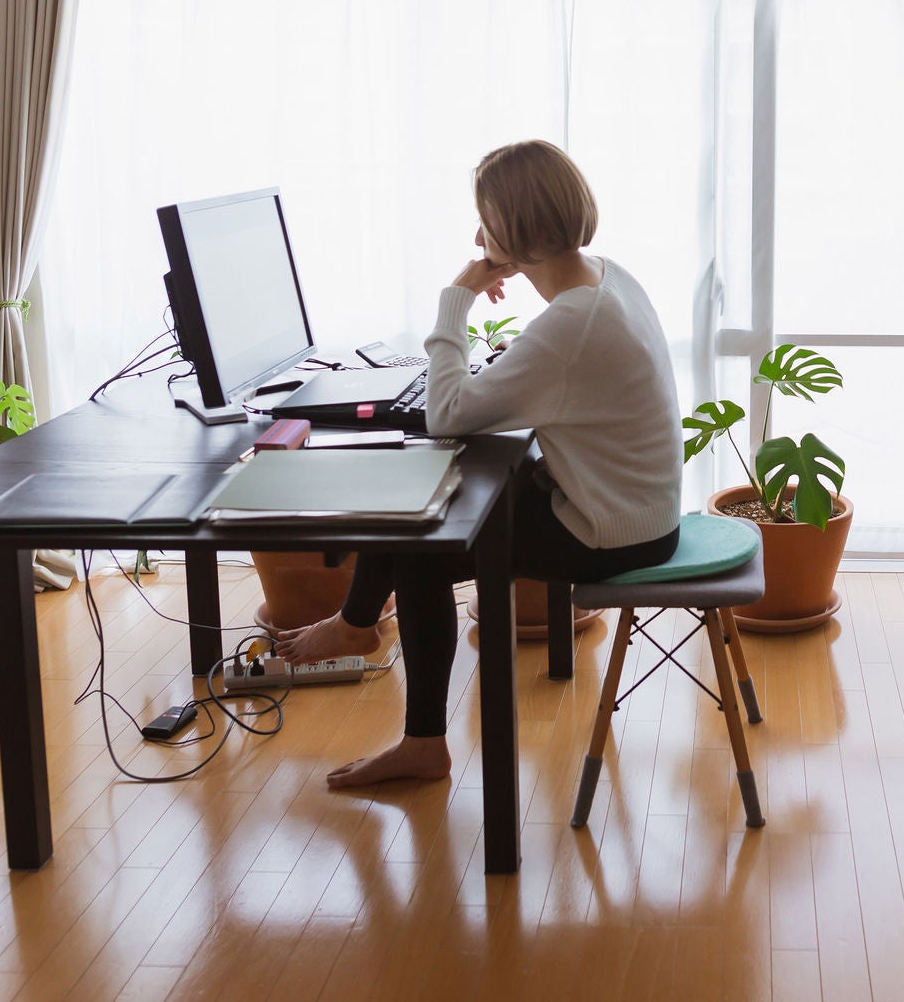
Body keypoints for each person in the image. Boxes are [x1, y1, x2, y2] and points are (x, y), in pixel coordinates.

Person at [274, 140, 682, 787]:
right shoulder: (606, 275)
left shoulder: (570, 326)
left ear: (516, 231)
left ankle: (417, 736)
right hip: (634, 506)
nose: (476, 234)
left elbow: (445, 412)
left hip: (612, 533)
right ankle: (356, 625)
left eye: (486, 220)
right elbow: (542, 383)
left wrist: (457, 299)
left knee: (420, 541)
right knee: (423, 499)